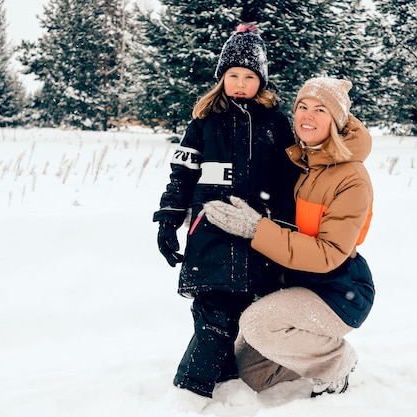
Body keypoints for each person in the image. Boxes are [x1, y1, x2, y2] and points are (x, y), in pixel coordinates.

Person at [203, 77, 375, 397]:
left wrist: (256, 229)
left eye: (320, 109)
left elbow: (327, 254)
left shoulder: (350, 177)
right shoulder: (303, 161)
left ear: (336, 120)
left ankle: (335, 363)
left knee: (258, 324)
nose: (307, 116)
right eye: (302, 107)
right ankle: (310, 354)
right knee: (254, 371)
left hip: (338, 290)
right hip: (297, 283)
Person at [152, 23, 298, 400]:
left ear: (260, 83)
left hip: (259, 235)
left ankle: (228, 381)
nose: (240, 83)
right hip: (211, 232)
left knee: (242, 315)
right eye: (232, 75)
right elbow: (181, 174)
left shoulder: (277, 124)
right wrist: (168, 220)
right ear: (221, 78)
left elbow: (291, 182)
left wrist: (287, 228)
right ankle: (189, 393)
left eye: (249, 77)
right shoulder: (203, 122)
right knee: (213, 316)